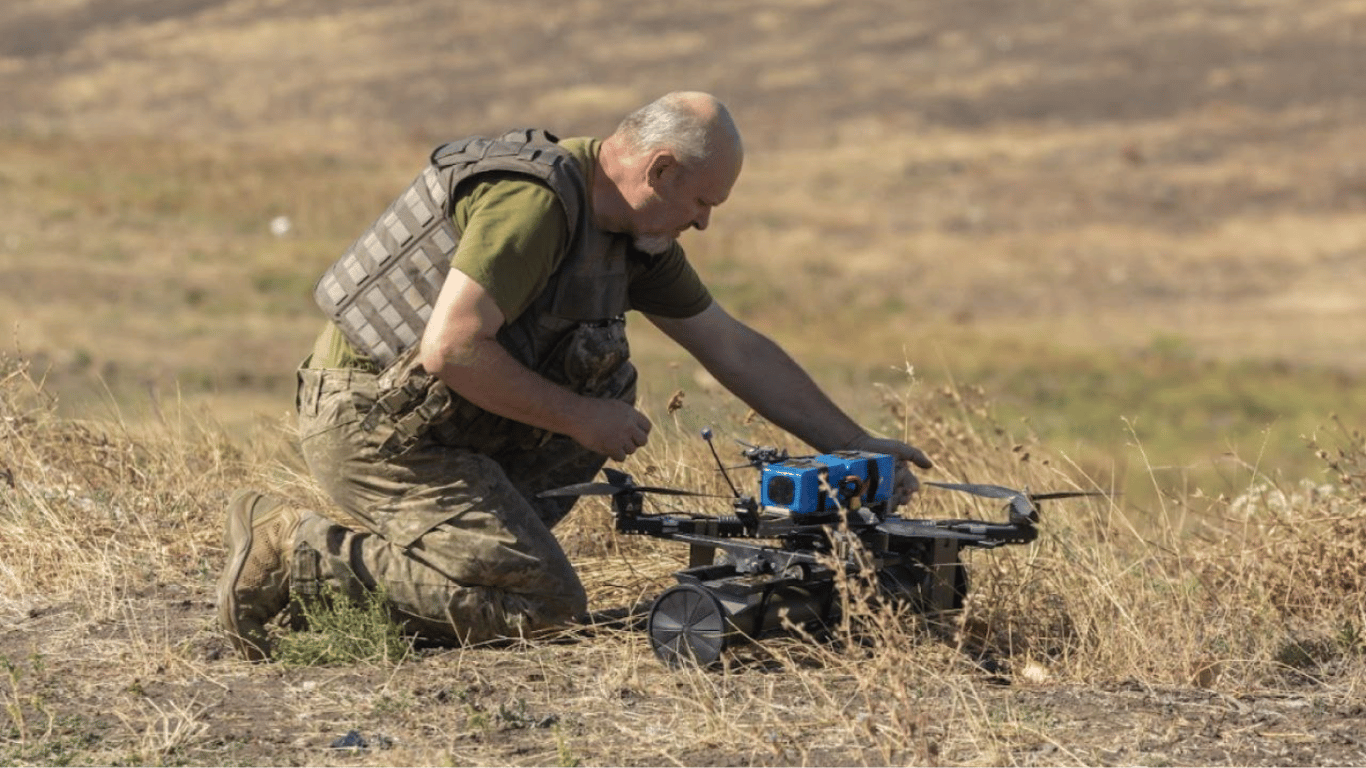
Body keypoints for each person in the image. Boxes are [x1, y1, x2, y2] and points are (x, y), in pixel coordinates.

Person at [217, 91, 933, 660]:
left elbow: (732, 347)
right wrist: (581, 420)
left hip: (438, 423)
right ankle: (295, 551)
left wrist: (856, 442)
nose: (705, 224)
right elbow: (453, 349)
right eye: (703, 203)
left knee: (603, 383)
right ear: (659, 172)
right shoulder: (536, 204)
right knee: (543, 609)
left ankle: (461, 555)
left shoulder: (630, 233)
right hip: (371, 423)